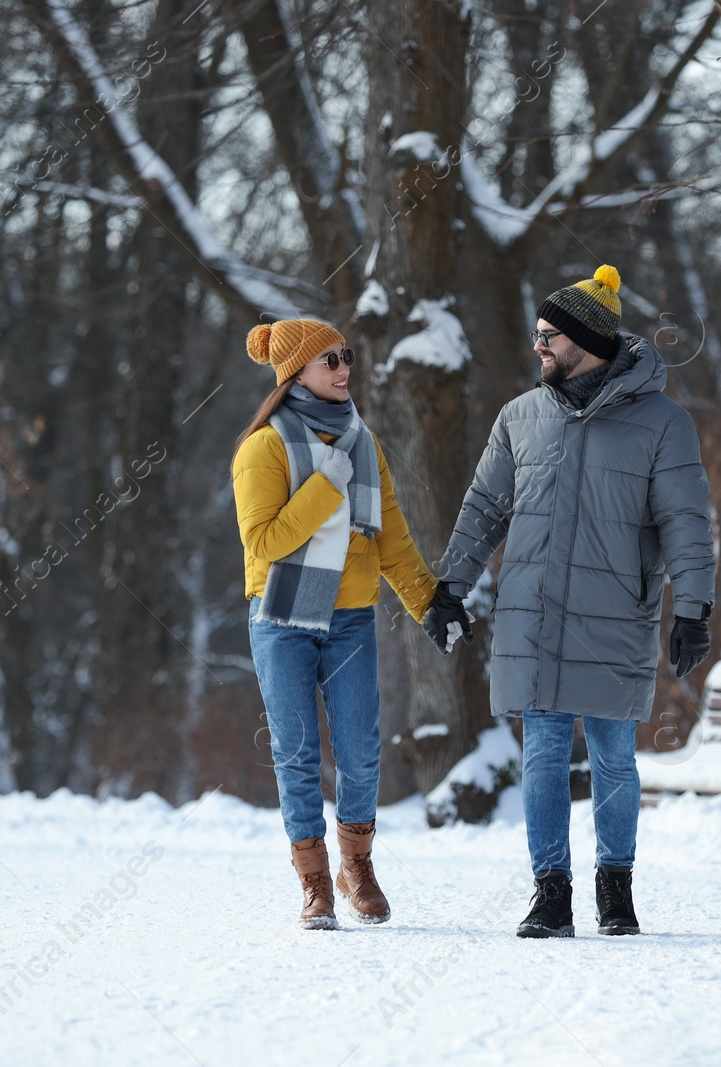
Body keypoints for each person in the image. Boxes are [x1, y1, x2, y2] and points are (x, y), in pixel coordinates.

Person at [422, 265, 715, 938]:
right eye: (536, 336)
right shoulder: (520, 417)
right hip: (535, 611)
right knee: (544, 751)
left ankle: (617, 890)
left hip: (617, 610)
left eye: (550, 337)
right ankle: (550, 892)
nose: (539, 348)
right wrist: (449, 586)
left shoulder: (663, 423)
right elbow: (484, 508)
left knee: (614, 752)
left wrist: (694, 608)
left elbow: (686, 521)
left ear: (588, 339)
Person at [233, 319, 438, 930]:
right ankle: (315, 880)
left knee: (360, 752)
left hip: (349, 615)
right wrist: (325, 488)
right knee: (295, 752)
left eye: (345, 356)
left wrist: (430, 604)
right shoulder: (263, 448)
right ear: (295, 371)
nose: (344, 367)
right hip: (282, 616)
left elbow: (392, 536)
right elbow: (264, 542)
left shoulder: (362, 443)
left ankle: (357, 867)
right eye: (330, 360)